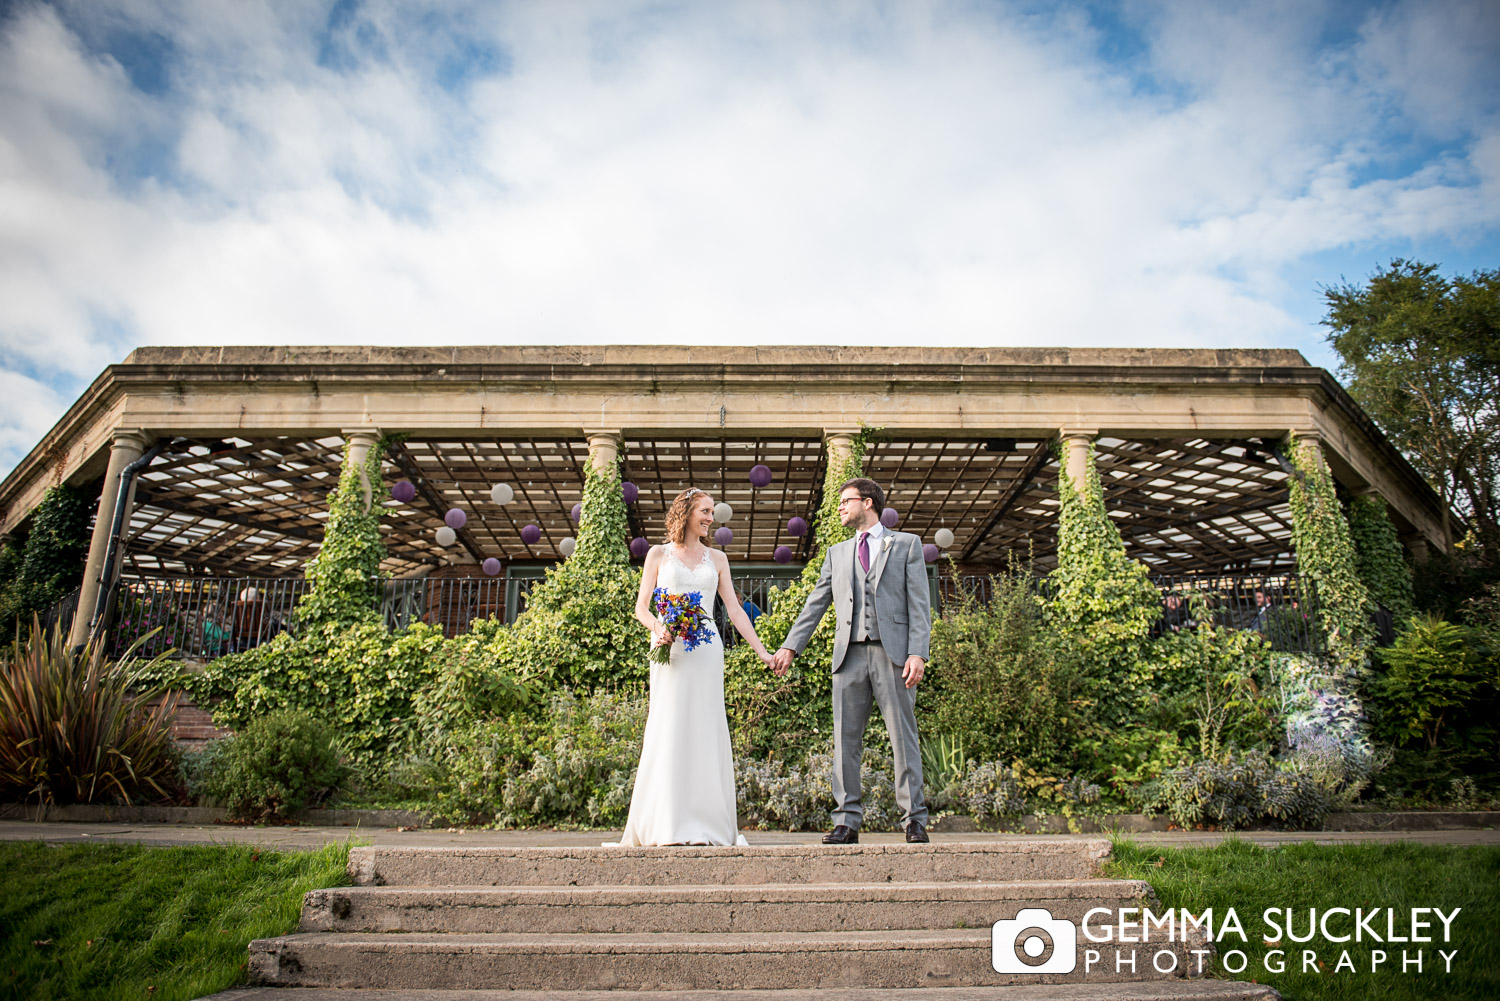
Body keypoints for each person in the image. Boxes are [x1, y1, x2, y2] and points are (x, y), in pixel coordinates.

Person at [613, 488, 778, 846]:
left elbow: (734, 611)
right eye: (704, 511)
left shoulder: (717, 559)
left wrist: (763, 652)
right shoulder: (658, 554)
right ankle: (666, 822)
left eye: (711, 513)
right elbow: (642, 607)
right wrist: (658, 627)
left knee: (704, 726)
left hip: (706, 651)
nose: (710, 518)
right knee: (669, 725)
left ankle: (707, 822)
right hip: (668, 651)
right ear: (685, 512)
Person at [772, 477, 932, 844]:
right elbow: (816, 603)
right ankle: (846, 820)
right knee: (845, 740)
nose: (840, 507)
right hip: (848, 657)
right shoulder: (837, 553)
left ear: (869, 503)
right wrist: (790, 646)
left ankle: (914, 820)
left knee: (903, 739)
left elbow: (919, 606)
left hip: (894, 656)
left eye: (846, 501)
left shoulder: (906, 545)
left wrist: (917, 652)